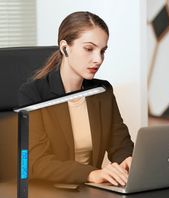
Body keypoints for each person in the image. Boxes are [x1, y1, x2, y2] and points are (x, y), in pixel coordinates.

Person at [17, 11, 134, 186]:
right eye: (89, 49)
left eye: (102, 51)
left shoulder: (101, 91)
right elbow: (35, 162)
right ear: (65, 48)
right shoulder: (34, 94)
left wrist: (128, 160)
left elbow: (120, 143)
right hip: (50, 196)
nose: (98, 59)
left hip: (92, 193)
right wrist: (92, 174)